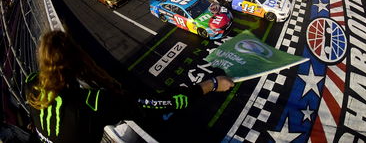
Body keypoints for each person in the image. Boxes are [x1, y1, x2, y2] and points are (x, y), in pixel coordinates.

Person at [25, 30, 234, 142]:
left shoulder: (31, 83)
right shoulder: (94, 103)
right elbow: (165, 102)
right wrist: (212, 84)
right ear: (78, 58)